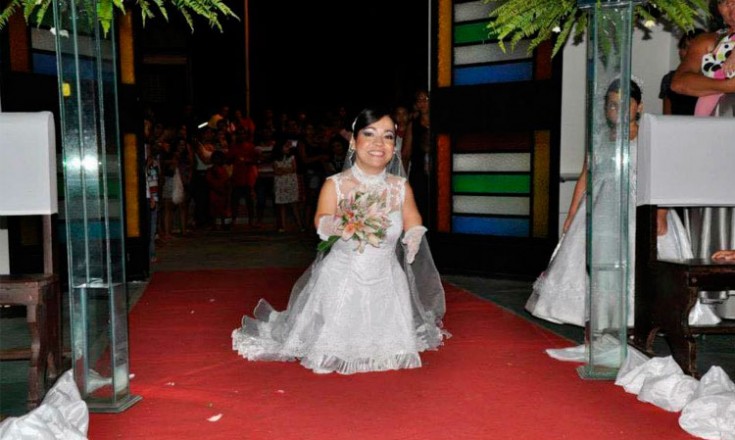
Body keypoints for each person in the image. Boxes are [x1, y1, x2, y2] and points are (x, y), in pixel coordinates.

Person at [232, 107, 448, 375]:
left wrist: (414, 235)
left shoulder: (399, 187)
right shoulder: (336, 184)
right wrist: (338, 225)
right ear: (354, 141)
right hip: (343, 277)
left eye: (388, 136)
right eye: (370, 134)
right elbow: (322, 219)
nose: (379, 143)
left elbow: (412, 218)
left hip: (387, 279)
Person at [525, 79, 720, 328]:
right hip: (602, 208)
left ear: (639, 107)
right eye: (612, 105)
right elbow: (587, 176)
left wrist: (662, 211)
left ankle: (649, 312)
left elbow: (666, 175)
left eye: (625, 104)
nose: (618, 110)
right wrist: (572, 213)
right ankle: (588, 311)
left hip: (642, 207)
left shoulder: (651, 136)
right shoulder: (600, 139)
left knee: (645, 258)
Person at [660, 30, 703, 116]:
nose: (688, 53)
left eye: (693, 49)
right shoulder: (670, 78)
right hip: (677, 127)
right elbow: (667, 117)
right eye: (685, 47)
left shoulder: (713, 77)